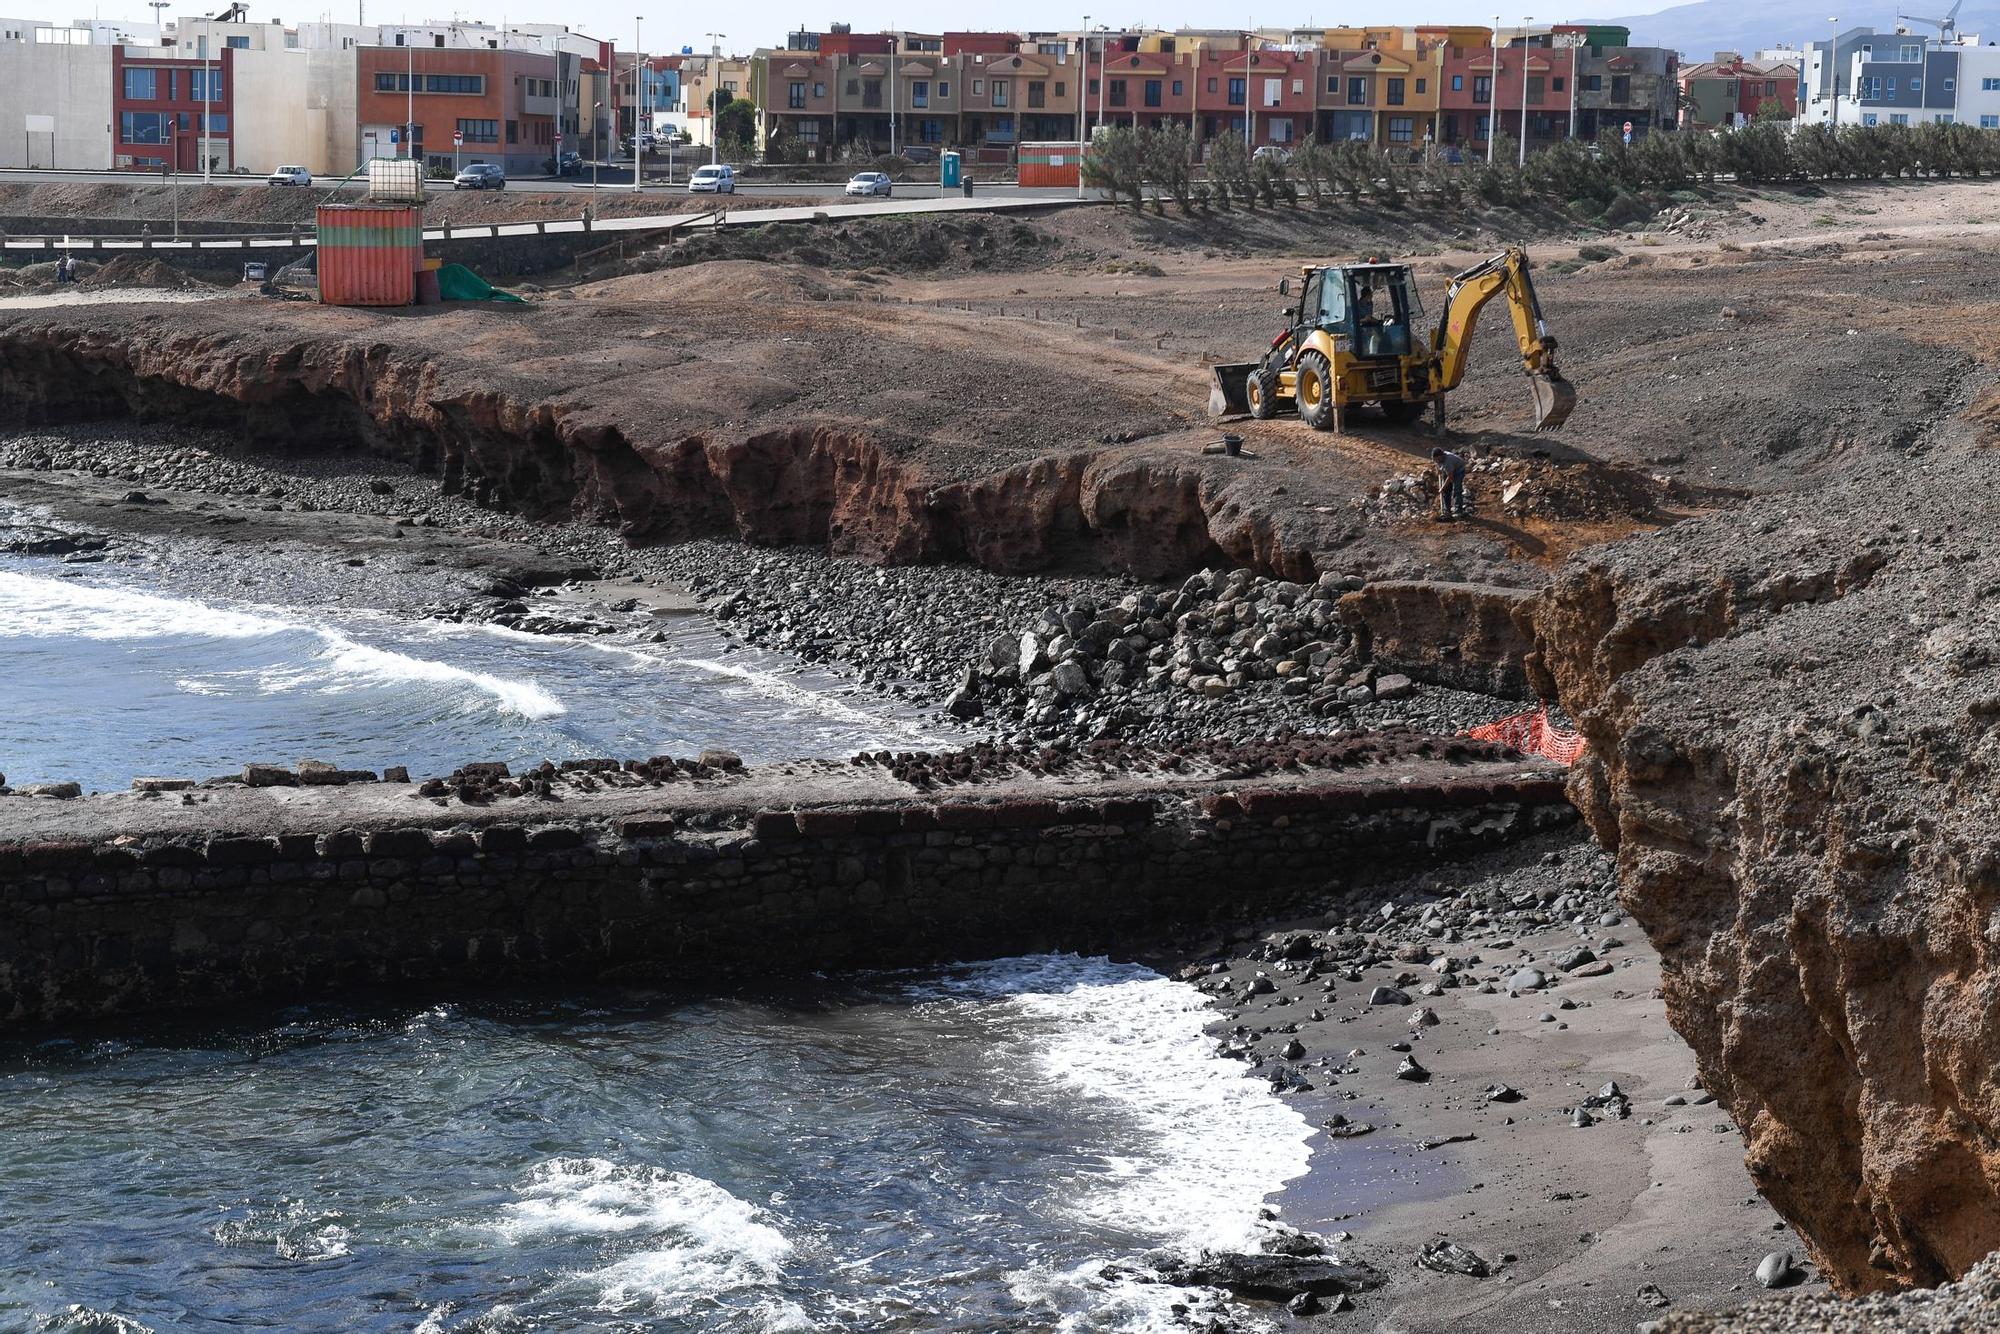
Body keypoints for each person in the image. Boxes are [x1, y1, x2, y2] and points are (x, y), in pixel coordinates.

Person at [1430, 447, 1468, 521]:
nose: (1436, 461)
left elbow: (1450, 477)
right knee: (1446, 491)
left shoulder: (1448, 461)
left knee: (1457, 490)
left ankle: (1459, 511)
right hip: (1449, 470)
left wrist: (1442, 488)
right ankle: (1447, 510)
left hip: (1458, 470)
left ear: (1441, 456)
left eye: (1437, 459)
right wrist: (1438, 469)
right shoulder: (1439, 459)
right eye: (1434, 460)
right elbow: (1437, 464)